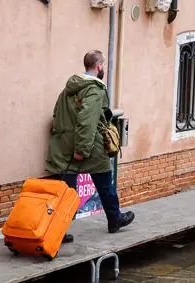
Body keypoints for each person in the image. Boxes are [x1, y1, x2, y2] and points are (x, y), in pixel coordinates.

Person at [45, 50, 135, 243]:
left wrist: (65, 143)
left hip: (63, 147)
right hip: (89, 148)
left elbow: (57, 114)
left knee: (65, 193)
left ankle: (57, 231)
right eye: (103, 64)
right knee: (104, 183)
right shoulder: (94, 89)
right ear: (99, 66)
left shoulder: (68, 89)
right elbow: (87, 121)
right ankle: (115, 219)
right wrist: (82, 150)